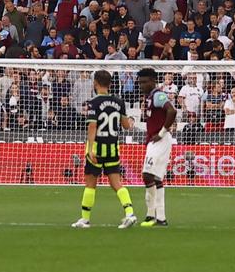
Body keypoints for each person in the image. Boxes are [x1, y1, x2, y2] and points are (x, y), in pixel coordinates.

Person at [73, 69, 139, 229]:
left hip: (97, 148)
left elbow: (92, 127)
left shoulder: (93, 103)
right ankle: (130, 213)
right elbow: (126, 126)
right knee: (116, 182)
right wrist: (131, 121)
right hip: (113, 148)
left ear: (95, 83)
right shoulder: (119, 102)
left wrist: (89, 149)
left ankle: (85, 218)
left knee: (90, 183)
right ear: (110, 84)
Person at [138, 67, 175, 226]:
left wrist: (161, 132)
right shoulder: (149, 96)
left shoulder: (158, 95)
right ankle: (160, 217)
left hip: (160, 140)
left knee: (147, 174)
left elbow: (172, 111)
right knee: (156, 178)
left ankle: (151, 215)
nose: (142, 85)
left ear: (153, 81)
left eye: (145, 82)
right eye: (140, 82)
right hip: (154, 140)